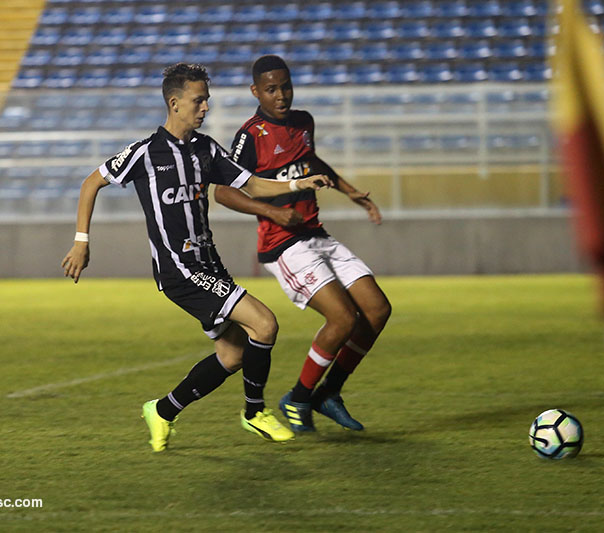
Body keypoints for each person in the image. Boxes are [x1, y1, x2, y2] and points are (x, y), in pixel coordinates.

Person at [61, 63, 329, 452]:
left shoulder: (206, 149)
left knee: (233, 354)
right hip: (180, 271)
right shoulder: (145, 153)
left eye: (207, 100)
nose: (205, 108)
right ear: (174, 103)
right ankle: (255, 413)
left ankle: (163, 411)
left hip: (209, 265)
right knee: (265, 324)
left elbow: (250, 183)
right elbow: (92, 182)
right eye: (198, 100)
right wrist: (81, 241)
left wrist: (299, 182)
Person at [214, 56, 391, 433]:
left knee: (377, 310)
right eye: (271, 89)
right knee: (343, 318)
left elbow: (310, 160)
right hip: (283, 245)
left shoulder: (303, 122)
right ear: (256, 91)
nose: (281, 96)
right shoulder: (251, 135)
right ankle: (298, 397)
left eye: (286, 87)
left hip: (316, 234)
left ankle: (328, 394)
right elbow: (224, 193)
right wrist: (273, 213)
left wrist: (350, 192)